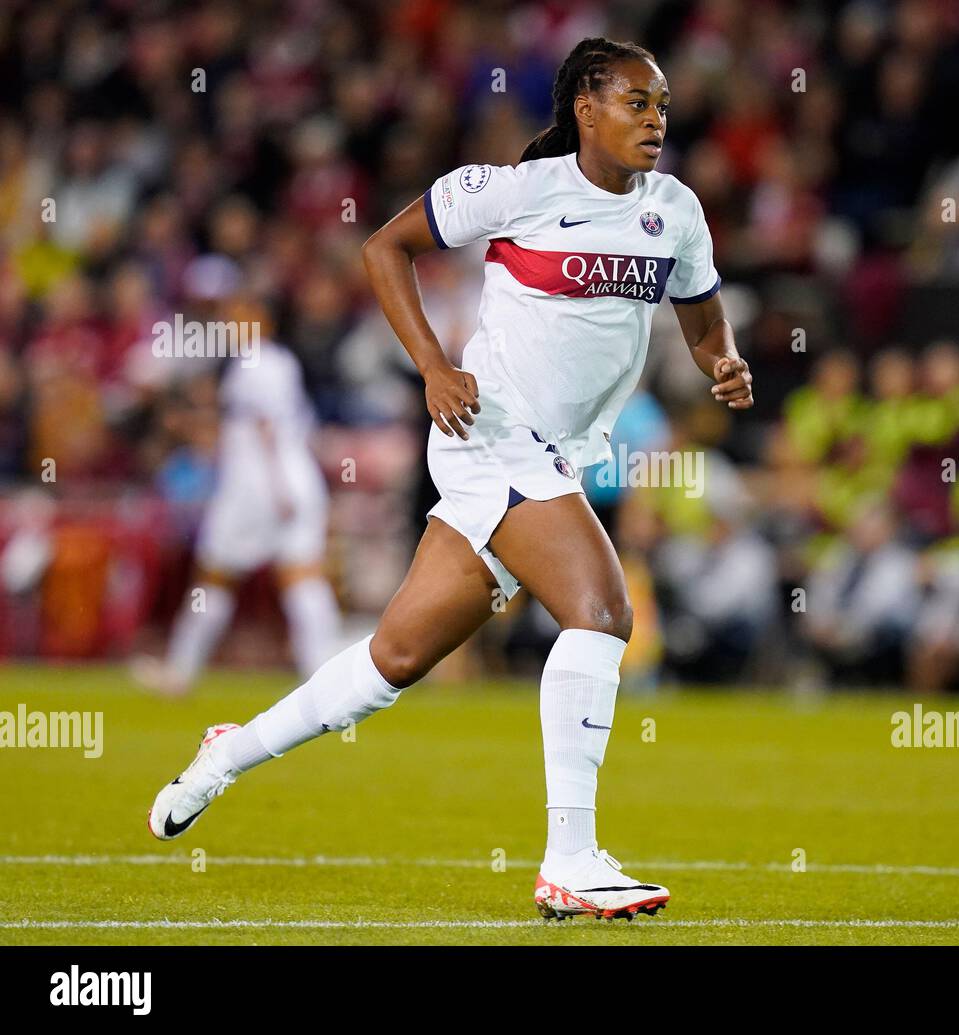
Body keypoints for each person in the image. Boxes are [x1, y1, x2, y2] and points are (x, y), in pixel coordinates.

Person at [146, 37, 754, 923]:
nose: (655, 120)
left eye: (661, 105)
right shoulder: (515, 190)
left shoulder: (677, 211)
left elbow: (702, 318)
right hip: (492, 432)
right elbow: (383, 249)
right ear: (585, 108)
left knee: (392, 660)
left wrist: (724, 362)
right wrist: (432, 365)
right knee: (603, 610)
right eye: (636, 102)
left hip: (562, 452)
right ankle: (570, 858)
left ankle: (228, 753)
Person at [133, 271, 340, 696]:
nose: (229, 322)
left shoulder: (256, 362)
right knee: (303, 578)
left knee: (215, 577)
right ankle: (327, 680)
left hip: (258, 488)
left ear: (260, 318)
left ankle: (180, 672)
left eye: (238, 313)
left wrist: (277, 489)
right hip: (296, 482)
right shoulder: (281, 361)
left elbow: (265, 429)